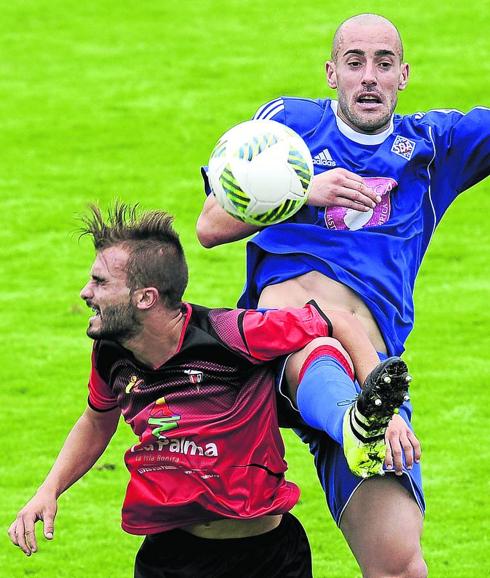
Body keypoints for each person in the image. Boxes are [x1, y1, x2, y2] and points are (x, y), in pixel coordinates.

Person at [196, 12, 490, 578]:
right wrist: (303, 190)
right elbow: (209, 225)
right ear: (332, 73)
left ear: (404, 75)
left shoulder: (434, 145)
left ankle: (361, 422)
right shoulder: (287, 125)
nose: (369, 77)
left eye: (384, 64)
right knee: (314, 333)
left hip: (373, 372)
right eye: (355, 63)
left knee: (399, 564)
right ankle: (360, 422)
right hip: (282, 349)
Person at [8, 203, 411, 578]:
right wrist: (49, 490)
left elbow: (337, 320)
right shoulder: (111, 353)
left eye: (99, 281)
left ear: (146, 297)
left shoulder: (231, 334)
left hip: (266, 557)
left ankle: (354, 422)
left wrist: (382, 402)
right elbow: (96, 422)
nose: (85, 292)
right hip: (170, 557)